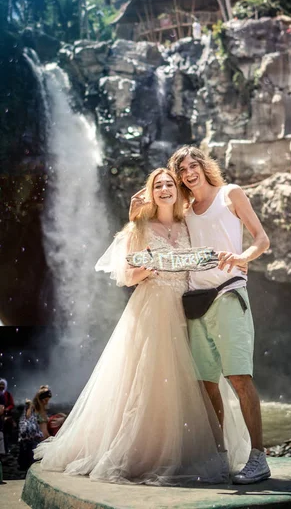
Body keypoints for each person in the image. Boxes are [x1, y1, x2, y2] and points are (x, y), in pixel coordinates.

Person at [35, 168, 249, 485]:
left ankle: (196, 450)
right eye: (157, 185)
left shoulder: (189, 223)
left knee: (194, 382)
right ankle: (148, 453)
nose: (164, 189)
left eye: (169, 184)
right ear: (150, 192)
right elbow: (126, 276)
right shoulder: (139, 227)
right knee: (151, 382)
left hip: (188, 308)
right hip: (153, 309)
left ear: (178, 190)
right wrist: (148, 269)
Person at [165, 146, 272, 484]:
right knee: (206, 384)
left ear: (204, 166)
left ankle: (258, 458)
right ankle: (221, 456)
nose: (187, 173)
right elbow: (157, 218)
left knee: (239, 377)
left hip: (228, 293)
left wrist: (243, 258)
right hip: (196, 301)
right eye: (181, 170)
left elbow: (262, 239)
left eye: (192, 165)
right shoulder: (186, 210)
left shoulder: (231, 194)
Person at [18, 386, 52, 471]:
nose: (46, 402)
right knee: (33, 466)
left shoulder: (40, 409)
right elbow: (28, 421)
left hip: (35, 440)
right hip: (34, 441)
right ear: (41, 399)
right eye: (46, 400)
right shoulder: (35, 408)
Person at [0, 378, 15, 454]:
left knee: (5, 434)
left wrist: (7, 408)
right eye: (1, 384)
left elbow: (12, 404)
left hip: (6, 416)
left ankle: (6, 449)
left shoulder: (8, 394)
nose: (2, 386)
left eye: (3, 384)